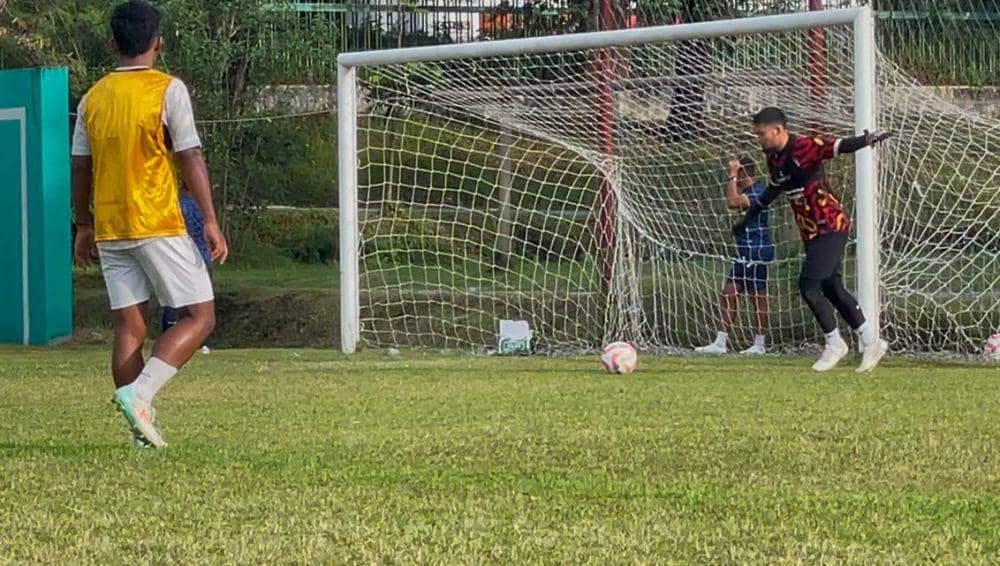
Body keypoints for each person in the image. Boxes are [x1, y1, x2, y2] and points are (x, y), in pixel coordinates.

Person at [71, 0, 228, 448]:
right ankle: (139, 395)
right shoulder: (167, 89)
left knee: (130, 329)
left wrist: (83, 224)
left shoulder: (93, 97)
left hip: (112, 227)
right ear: (159, 42)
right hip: (156, 220)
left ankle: (140, 432)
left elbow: (80, 166)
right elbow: (190, 155)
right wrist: (211, 220)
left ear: (112, 43)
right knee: (201, 315)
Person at [732, 107, 888, 372]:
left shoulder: (804, 146)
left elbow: (836, 146)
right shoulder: (773, 158)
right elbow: (776, 186)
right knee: (831, 287)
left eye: (761, 134)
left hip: (830, 225)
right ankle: (871, 341)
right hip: (811, 231)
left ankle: (834, 343)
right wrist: (749, 215)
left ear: (778, 130)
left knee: (808, 284)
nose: (759, 139)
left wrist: (866, 140)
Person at [696, 156, 773, 355]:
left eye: (736, 175)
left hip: (756, 252)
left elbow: (732, 202)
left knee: (757, 299)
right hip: (742, 254)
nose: (734, 180)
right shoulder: (749, 191)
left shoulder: (758, 192)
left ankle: (760, 344)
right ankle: (720, 343)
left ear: (743, 173)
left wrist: (731, 175)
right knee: (729, 292)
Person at [162, 187, 213, 355]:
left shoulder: (175, 202)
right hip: (200, 258)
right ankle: (196, 343)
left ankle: (169, 338)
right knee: (200, 305)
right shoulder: (202, 205)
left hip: (182, 256)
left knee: (175, 303)